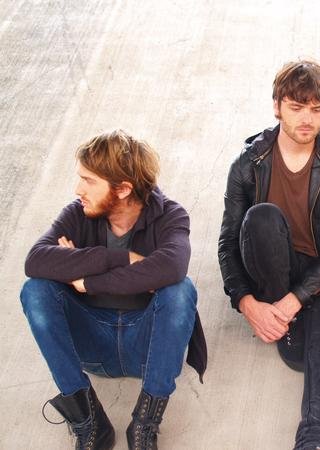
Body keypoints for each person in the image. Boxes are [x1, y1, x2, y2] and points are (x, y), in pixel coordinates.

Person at [21, 130, 207, 450]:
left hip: (147, 347)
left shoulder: (170, 216)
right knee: (35, 290)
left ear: (122, 189)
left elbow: (171, 268)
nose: (78, 189)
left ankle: (144, 425)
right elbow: (36, 261)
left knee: (180, 290)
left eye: (88, 181)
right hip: (92, 344)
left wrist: (86, 279)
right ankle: (89, 423)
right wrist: (121, 259)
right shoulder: (77, 213)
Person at [218, 59, 320, 450]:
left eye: (317, 109)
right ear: (277, 106)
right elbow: (228, 242)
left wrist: (293, 302)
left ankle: (314, 440)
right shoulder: (248, 163)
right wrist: (248, 303)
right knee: (261, 218)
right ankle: (280, 314)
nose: (307, 119)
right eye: (296, 107)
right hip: (274, 264)